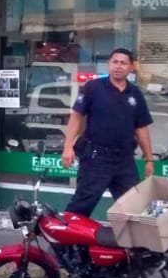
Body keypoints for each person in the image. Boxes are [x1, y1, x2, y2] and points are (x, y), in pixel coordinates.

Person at [60, 48, 154, 217]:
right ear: (109, 64)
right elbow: (76, 117)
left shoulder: (135, 94)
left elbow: (141, 128)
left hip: (125, 160)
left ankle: (131, 236)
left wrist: (149, 159)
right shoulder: (93, 87)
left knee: (133, 207)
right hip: (96, 158)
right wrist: (68, 147)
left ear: (131, 67)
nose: (118, 66)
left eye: (123, 63)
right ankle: (66, 234)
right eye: (114, 62)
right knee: (82, 204)